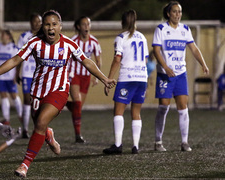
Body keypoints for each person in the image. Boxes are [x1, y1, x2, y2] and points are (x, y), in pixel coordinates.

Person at [0, 10, 116, 178]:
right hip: (37, 91)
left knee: (41, 122)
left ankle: (24, 165)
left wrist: (104, 79)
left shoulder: (68, 44)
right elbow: (15, 60)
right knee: (40, 126)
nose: (51, 28)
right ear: (43, 27)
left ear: (60, 26)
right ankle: (49, 135)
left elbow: (86, 61)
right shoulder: (34, 42)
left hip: (59, 90)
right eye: (47, 24)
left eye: (54, 24)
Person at [152, 1, 209, 152]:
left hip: (180, 74)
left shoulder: (185, 29)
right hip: (165, 74)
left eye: (180, 11)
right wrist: (165, 66)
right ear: (169, 14)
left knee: (183, 107)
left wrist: (203, 63)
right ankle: (158, 141)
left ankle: (184, 142)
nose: (178, 14)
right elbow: (156, 50)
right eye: (175, 11)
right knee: (163, 107)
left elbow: (194, 49)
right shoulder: (161, 29)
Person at [102, 10, 149, 155]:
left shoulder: (121, 38)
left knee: (119, 111)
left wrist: (108, 79)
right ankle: (135, 146)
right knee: (136, 112)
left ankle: (118, 145)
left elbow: (117, 59)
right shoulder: (142, 37)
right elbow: (146, 59)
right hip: (141, 78)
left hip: (127, 78)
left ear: (122, 22)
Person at [66, 16, 102, 143]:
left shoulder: (94, 42)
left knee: (78, 107)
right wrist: (67, 73)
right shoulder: (73, 40)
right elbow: (67, 58)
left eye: (88, 24)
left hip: (86, 76)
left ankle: (66, 103)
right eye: (84, 24)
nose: (86, 26)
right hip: (74, 74)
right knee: (77, 101)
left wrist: (96, 76)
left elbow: (98, 60)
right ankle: (78, 135)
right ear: (78, 27)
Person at [16, 13, 42, 138]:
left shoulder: (44, 36)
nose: (37, 23)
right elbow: (18, 57)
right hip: (27, 73)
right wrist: (17, 73)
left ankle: (39, 129)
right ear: (30, 22)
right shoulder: (24, 36)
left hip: (41, 73)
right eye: (35, 21)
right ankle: (25, 130)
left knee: (38, 102)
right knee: (27, 101)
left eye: (39, 21)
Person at [0, 30, 23, 125]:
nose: (2, 36)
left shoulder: (13, 47)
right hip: (1, 76)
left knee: (13, 95)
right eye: (1, 35)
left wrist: (16, 75)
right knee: (3, 96)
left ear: (8, 36)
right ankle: (6, 119)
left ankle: (21, 115)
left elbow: (17, 62)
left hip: (10, 76)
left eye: (3, 35)